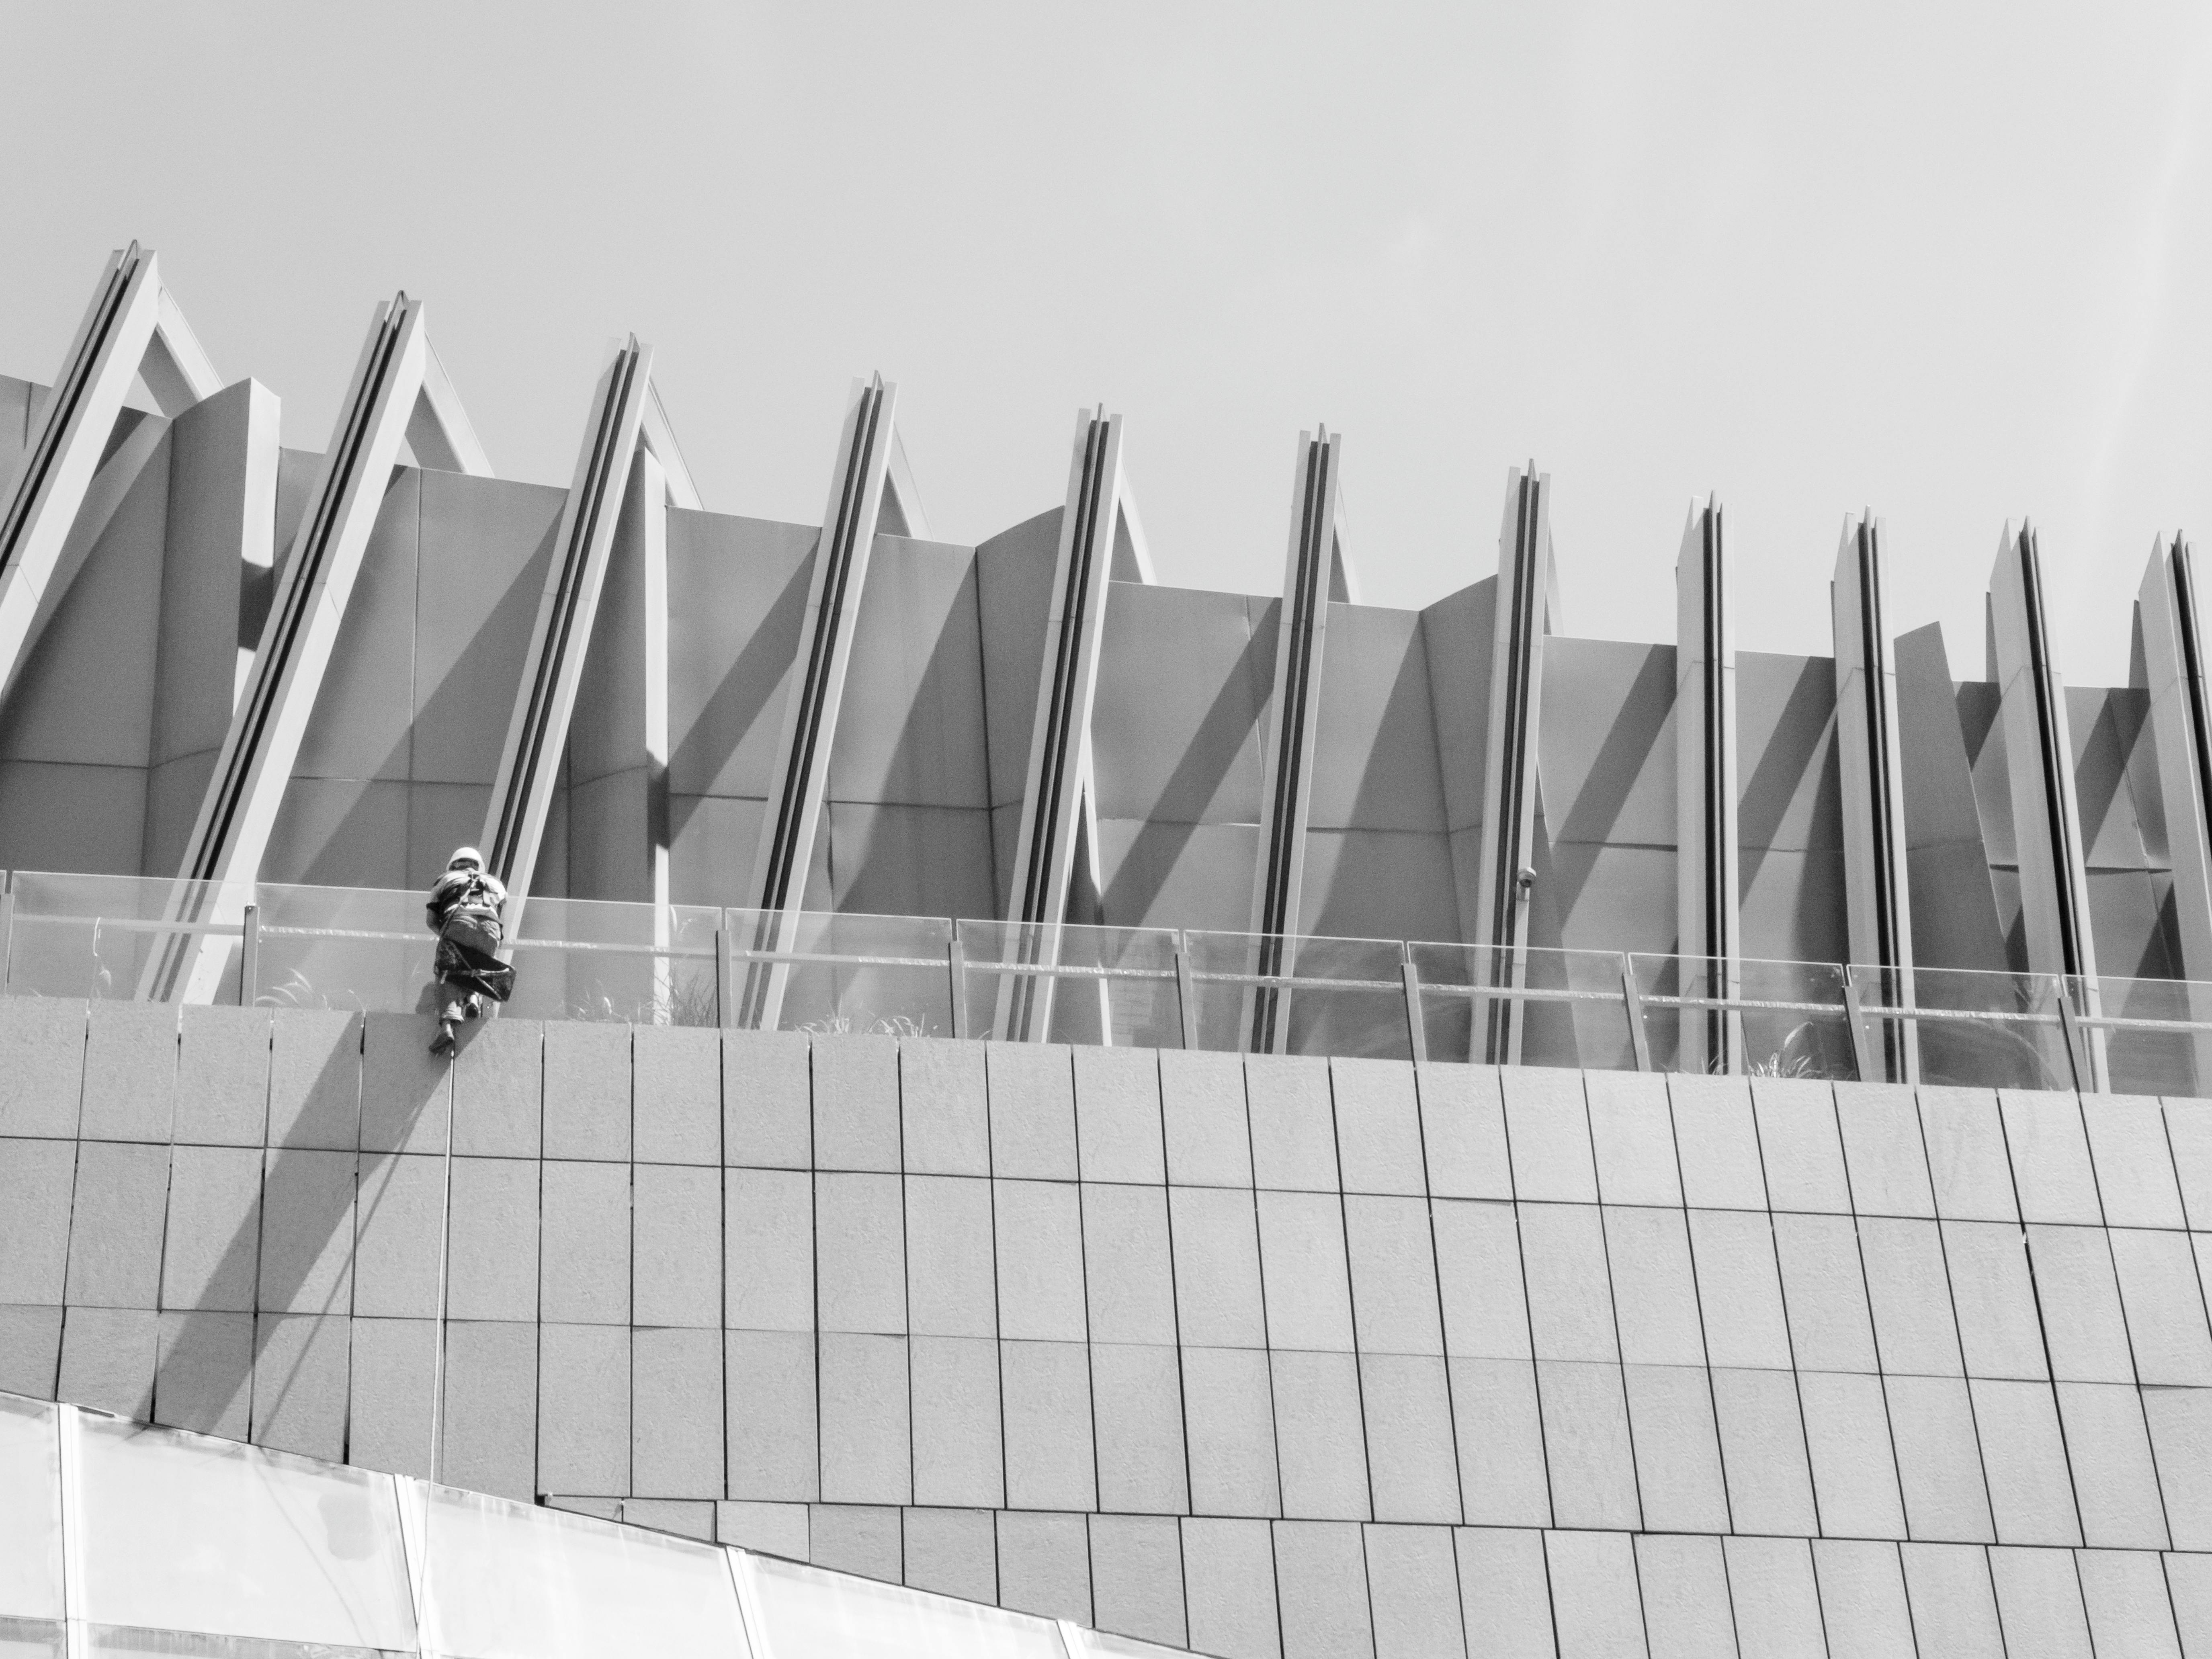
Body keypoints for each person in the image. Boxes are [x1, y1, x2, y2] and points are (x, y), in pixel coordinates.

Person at [425, 848, 514, 1056]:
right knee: (477, 964)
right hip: (492, 928)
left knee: (446, 972)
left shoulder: (445, 879)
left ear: (455, 864)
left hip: (460, 921)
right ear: (478, 866)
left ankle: (447, 1027)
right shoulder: (497, 884)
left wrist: (448, 941)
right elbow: (500, 907)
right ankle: (473, 999)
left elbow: (431, 921)